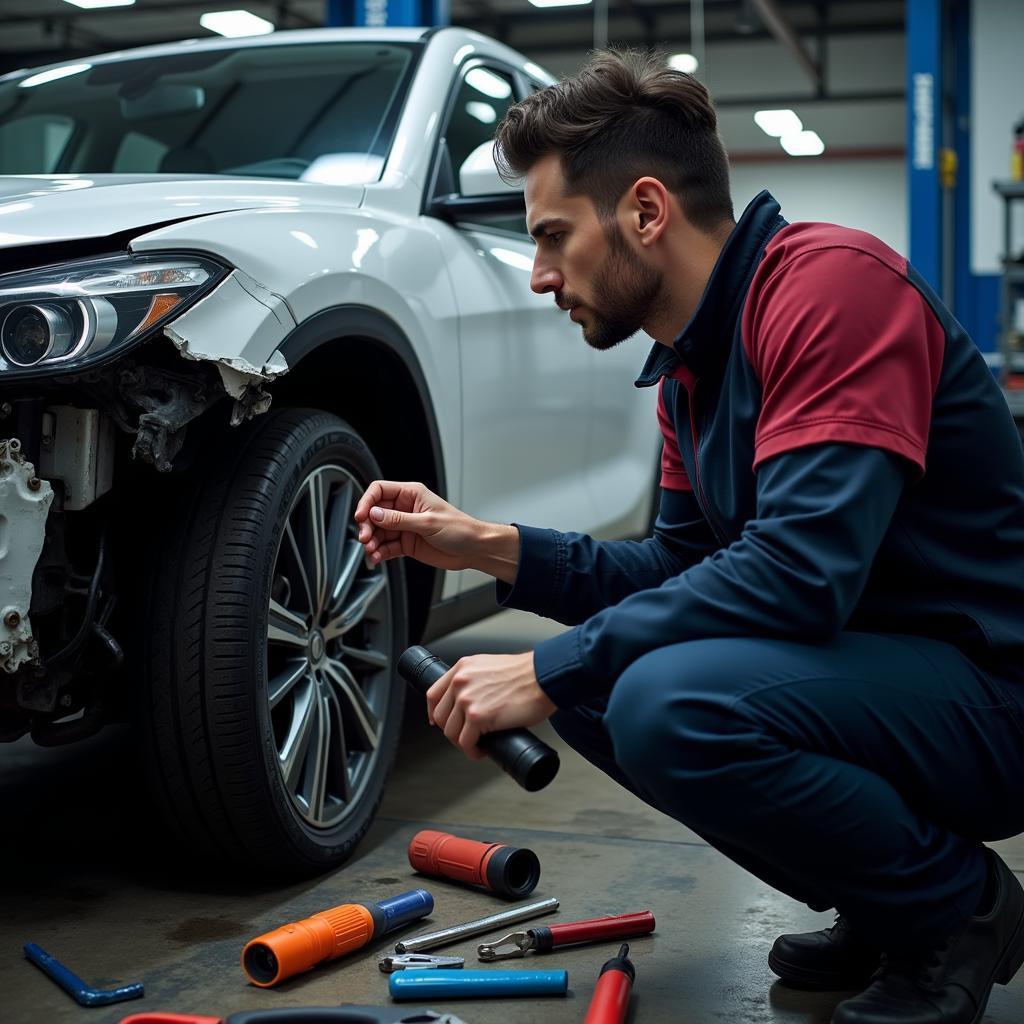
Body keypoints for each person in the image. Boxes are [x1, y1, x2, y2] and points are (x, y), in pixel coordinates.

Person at [353, 49, 1024, 1024]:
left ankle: (955, 907)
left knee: (662, 696)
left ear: (644, 211)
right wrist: (487, 544)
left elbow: (799, 574)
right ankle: (885, 897)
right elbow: (673, 568)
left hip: (992, 696)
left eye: (550, 236)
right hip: (881, 676)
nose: (539, 275)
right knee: (605, 683)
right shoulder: (690, 369)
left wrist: (548, 668)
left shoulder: (831, 290)